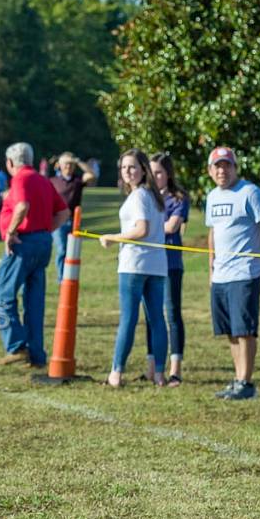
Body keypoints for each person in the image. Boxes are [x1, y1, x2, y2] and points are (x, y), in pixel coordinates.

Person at [0, 143, 69, 367]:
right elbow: (63, 212)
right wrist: (44, 230)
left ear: (10, 163)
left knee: (2, 298)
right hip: (43, 242)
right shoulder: (43, 180)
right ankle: (37, 355)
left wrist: (11, 232)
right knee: (34, 302)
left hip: (23, 243)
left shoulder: (21, 178)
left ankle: (17, 346)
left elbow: (22, 205)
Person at [205, 147, 260, 400]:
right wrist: (211, 269)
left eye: (227, 165)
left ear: (235, 167)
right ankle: (237, 379)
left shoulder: (250, 192)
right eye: (217, 166)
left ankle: (246, 381)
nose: (222, 170)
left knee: (244, 329)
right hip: (220, 274)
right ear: (211, 171)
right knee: (231, 331)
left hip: (245, 272)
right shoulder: (212, 196)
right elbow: (213, 233)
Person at [98, 149, 168, 387]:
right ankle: (158, 374)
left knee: (128, 319)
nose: (127, 172)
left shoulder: (139, 196)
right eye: (124, 168)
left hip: (135, 264)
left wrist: (112, 238)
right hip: (157, 265)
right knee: (157, 319)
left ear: (143, 169)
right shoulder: (154, 195)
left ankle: (116, 373)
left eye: (132, 167)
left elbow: (142, 229)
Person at [141, 153, 190, 387]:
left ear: (168, 174)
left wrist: (144, 228)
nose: (155, 177)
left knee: (172, 315)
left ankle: (175, 370)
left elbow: (171, 226)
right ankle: (151, 368)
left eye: (159, 172)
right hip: (148, 264)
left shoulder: (178, 198)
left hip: (170, 265)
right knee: (151, 316)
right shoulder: (145, 197)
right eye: (151, 172)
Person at [50, 152, 97, 281]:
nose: (68, 167)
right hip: (58, 221)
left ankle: (70, 276)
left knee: (72, 251)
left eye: (71, 164)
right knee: (62, 250)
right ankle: (61, 278)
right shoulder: (53, 181)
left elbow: (92, 175)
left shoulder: (78, 180)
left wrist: (78, 161)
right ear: (59, 165)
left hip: (74, 221)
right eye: (66, 164)